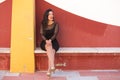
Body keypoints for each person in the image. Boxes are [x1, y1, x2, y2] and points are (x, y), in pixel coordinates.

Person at [40, 9, 59, 78]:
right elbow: (41, 34)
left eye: (52, 14)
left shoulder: (56, 24)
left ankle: (49, 70)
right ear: (47, 15)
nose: (51, 15)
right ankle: (52, 66)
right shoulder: (43, 23)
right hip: (44, 42)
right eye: (50, 14)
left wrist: (50, 40)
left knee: (51, 51)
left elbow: (55, 34)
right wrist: (46, 41)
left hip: (54, 42)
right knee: (49, 47)